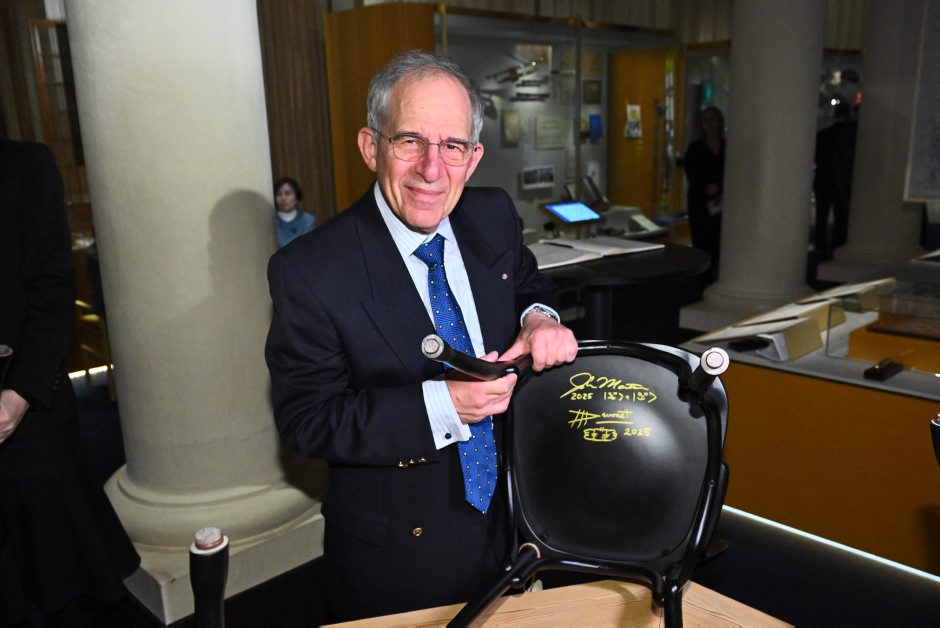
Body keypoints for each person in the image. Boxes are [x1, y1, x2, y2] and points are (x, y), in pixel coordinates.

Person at [265, 49, 578, 622]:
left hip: (519, 525)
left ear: (474, 157)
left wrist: (539, 318)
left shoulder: (493, 216)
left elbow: (528, 283)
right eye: (410, 141)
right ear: (371, 147)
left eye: (452, 146)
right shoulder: (310, 270)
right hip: (400, 557)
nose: (432, 170)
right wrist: (444, 405)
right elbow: (307, 420)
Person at [0, 139, 140, 625]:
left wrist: (18, 395)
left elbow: (52, 287)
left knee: (63, 585)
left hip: (26, 414)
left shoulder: (22, 166)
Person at [683, 106, 726, 280]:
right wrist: (706, 187)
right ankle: (702, 279)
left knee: (720, 241)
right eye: (706, 120)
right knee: (702, 241)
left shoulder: (727, 146)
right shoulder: (695, 148)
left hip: (723, 202)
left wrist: (720, 186)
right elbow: (692, 172)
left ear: (720, 122)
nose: (709, 124)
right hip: (700, 203)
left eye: (713, 119)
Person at [813, 102, 857, 259]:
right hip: (843, 179)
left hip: (823, 179)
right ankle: (837, 245)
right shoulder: (852, 136)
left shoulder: (824, 134)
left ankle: (820, 246)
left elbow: (816, 157)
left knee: (821, 215)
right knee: (841, 216)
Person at [274, 176, 316, 248]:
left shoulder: (308, 220)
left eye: (287, 193)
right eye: (279, 194)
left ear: (296, 196)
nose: (283, 198)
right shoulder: (271, 221)